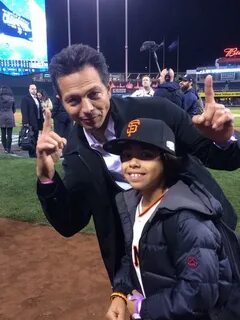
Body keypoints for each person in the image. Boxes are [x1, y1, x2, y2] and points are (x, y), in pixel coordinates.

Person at [36, 44, 239, 286]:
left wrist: (223, 139)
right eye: (74, 100)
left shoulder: (155, 111)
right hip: (140, 263)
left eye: (94, 94)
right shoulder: (73, 152)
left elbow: (219, 156)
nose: (87, 109)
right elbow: (70, 223)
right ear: (61, 101)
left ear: (109, 89)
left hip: (203, 240)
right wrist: (47, 179)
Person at [104, 118, 232, 320]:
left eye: (146, 155)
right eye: (126, 155)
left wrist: (142, 308)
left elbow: (200, 294)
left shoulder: (188, 219)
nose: (133, 163)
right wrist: (120, 292)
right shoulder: (133, 202)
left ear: (166, 160)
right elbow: (133, 255)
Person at [21, 84, 44, 157]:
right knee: (31, 138)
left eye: (35, 89)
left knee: (36, 137)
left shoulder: (37, 99)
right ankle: (31, 154)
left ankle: (35, 152)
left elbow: (39, 110)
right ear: (29, 89)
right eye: (32, 89)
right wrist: (25, 122)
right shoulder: (25, 99)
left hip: (37, 121)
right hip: (30, 122)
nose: (34, 90)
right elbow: (24, 111)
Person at [0, 85, 16, 153]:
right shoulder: (12, 98)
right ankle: (9, 149)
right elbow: (14, 109)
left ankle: (5, 148)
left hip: (1, 117)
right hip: (10, 116)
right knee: (9, 134)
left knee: (3, 134)